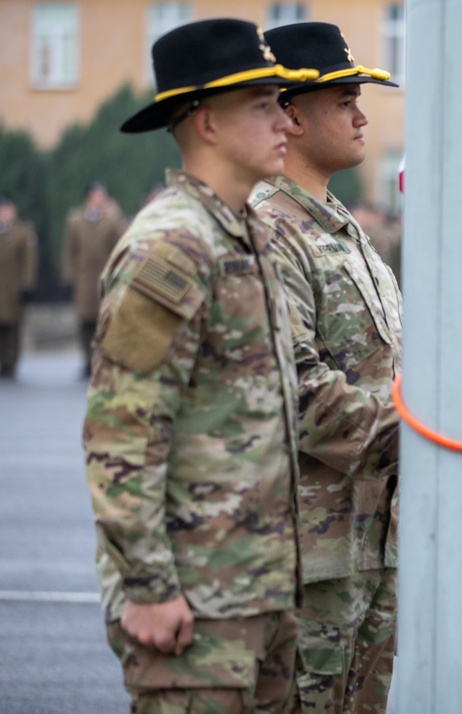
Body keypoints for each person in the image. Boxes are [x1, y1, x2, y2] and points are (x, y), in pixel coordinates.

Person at [83, 18, 319, 713]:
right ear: (206, 123)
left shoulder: (248, 234)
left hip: (261, 594)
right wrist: (150, 588)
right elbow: (120, 436)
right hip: (196, 605)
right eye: (263, 105)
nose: (286, 120)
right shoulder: (173, 247)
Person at [251, 22, 402, 714]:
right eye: (344, 100)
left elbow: (384, 369)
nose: (361, 115)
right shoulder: (271, 230)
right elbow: (298, 393)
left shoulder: (338, 228)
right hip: (309, 553)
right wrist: (427, 434)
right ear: (291, 112)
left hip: (369, 539)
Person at [60, 181, 127, 375]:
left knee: (104, 320)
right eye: (98, 196)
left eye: (102, 196)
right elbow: (69, 251)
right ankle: (86, 360)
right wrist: (68, 277)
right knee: (84, 321)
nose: (101, 200)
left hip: (104, 277)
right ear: (89, 198)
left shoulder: (111, 222)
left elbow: (118, 248)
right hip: (83, 278)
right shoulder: (75, 221)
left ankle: (101, 360)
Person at [0, 196, 38, 378]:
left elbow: (28, 261)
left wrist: (27, 284)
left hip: (13, 286)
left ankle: (10, 362)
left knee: (13, 327)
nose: (4, 213)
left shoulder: (23, 231)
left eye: (7, 209)